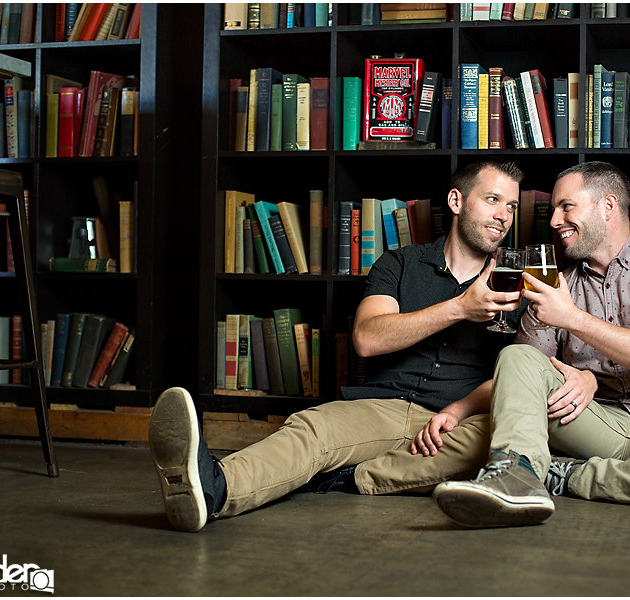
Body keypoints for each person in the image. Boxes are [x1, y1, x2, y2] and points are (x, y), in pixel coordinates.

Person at [149, 157, 527, 532]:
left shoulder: (518, 284)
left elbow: (522, 374)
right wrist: (459, 308)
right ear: (457, 201)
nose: (503, 215)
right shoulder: (400, 263)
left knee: (497, 447)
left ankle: (349, 475)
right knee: (315, 428)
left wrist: (459, 411)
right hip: (386, 407)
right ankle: (214, 489)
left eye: (511, 206)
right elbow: (366, 338)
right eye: (492, 200)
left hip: (462, 419)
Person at [431, 161, 630, 528]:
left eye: (566, 206)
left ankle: (562, 477)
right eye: (555, 209)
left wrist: (571, 318)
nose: (555, 220)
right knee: (517, 352)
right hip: (589, 422)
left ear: (607, 206)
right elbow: (522, 373)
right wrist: (458, 409)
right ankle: (514, 474)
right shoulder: (555, 287)